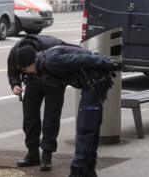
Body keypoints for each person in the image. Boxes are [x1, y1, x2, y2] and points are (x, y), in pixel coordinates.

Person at [14, 45, 121, 177]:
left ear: (31, 63)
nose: (27, 73)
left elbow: (82, 59)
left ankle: (78, 170)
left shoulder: (50, 62)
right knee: (90, 128)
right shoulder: (47, 58)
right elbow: (79, 54)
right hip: (95, 82)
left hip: (95, 82)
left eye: (25, 69)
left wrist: (108, 63)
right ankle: (88, 169)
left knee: (85, 128)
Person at [8, 35, 75, 171]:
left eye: (27, 67)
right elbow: (12, 71)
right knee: (29, 117)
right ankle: (33, 153)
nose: (24, 69)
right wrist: (15, 84)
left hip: (54, 80)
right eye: (22, 68)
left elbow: (72, 55)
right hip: (32, 81)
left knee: (51, 118)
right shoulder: (15, 53)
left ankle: (47, 156)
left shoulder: (53, 45)